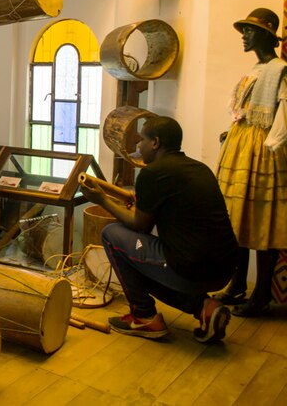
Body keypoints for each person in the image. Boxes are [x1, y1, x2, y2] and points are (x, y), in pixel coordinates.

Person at [80, 116, 238, 342]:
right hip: (225, 270)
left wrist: (101, 199)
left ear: (155, 142)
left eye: (141, 140)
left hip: (192, 270)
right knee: (138, 259)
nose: (138, 146)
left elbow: (140, 226)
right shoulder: (199, 168)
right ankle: (205, 307)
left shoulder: (153, 173)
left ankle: (144, 317)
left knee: (112, 235)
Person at [214, 8, 287, 317]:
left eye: (250, 30)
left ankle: (259, 296)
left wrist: (273, 143)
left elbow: (283, 112)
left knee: (260, 219)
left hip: (262, 150)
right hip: (241, 145)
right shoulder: (256, 69)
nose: (244, 36)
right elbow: (244, 109)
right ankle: (237, 283)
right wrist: (231, 132)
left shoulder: (279, 69)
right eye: (243, 30)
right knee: (237, 217)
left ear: (267, 35)